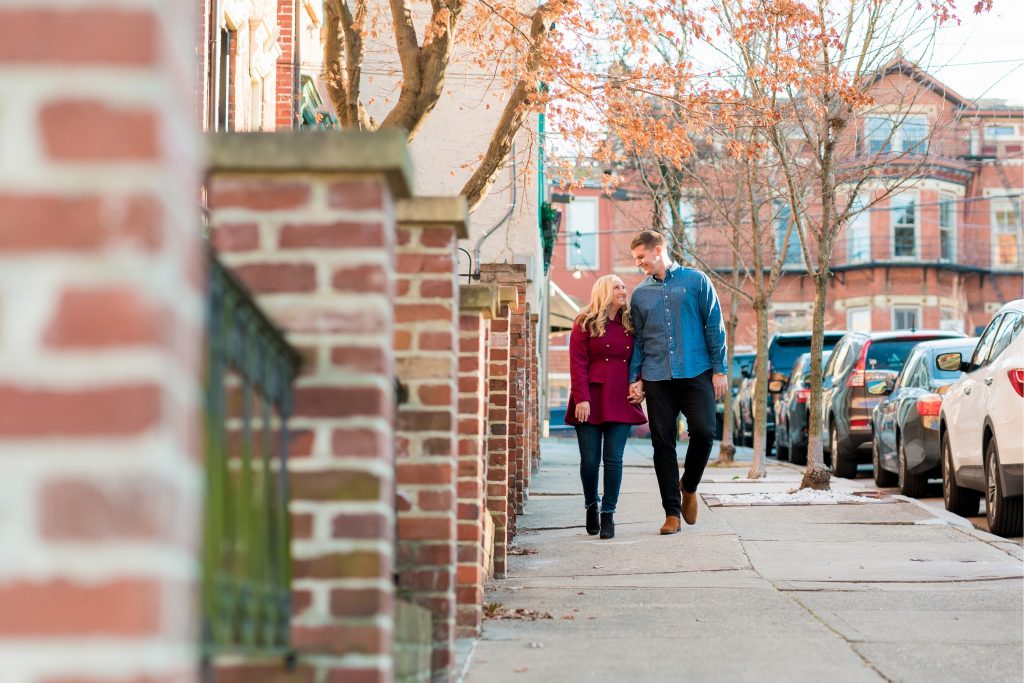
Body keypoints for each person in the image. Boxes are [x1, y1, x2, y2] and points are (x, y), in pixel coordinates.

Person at [627, 230, 727, 535]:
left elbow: (714, 325)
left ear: (658, 250)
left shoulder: (696, 281)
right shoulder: (639, 295)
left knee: (705, 431)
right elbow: (639, 341)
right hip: (658, 376)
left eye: (641, 257)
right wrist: (636, 378)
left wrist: (719, 370)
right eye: (635, 259)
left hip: (697, 370)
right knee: (663, 443)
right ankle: (671, 512)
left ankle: (689, 485)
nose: (639, 264)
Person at [565, 275, 648, 539]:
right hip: (590, 397)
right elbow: (577, 362)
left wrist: (640, 384)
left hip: (621, 399)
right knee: (590, 461)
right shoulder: (584, 322)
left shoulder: (630, 324)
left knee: (614, 460)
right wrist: (582, 398)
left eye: (624, 287)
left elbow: (640, 358)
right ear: (604, 292)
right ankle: (592, 504)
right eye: (617, 287)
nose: (624, 291)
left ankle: (608, 513)